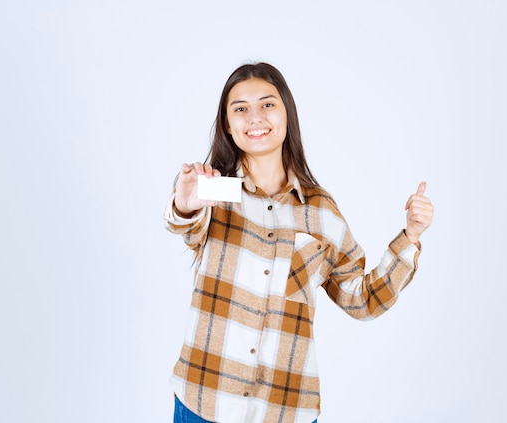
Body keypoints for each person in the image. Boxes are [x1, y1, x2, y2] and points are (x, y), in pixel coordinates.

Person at [164, 62, 434, 423]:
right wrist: (185, 202)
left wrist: (411, 237)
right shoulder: (212, 191)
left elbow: (361, 299)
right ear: (228, 125)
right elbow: (186, 223)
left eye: (267, 104)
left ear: (287, 114)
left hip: (286, 409)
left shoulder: (322, 212)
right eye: (240, 109)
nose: (255, 117)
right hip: (204, 400)